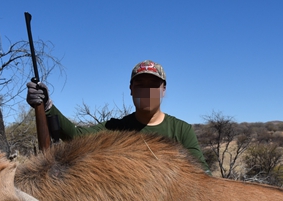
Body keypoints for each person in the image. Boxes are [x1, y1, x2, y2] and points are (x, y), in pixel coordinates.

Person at [26, 60, 210, 172]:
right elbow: (76, 135)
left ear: (163, 90)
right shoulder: (115, 129)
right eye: (140, 85)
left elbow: (202, 174)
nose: (146, 91)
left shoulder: (182, 130)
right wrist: (47, 106)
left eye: (153, 85)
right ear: (131, 90)